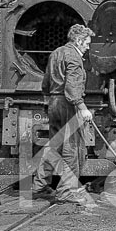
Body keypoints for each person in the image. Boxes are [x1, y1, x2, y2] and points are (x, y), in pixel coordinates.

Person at [32, 24, 96, 206]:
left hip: (53, 102)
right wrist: (82, 107)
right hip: (68, 104)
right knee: (72, 149)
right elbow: (72, 88)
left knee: (54, 147)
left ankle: (39, 186)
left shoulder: (56, 53)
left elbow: (45, 82)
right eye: (87, 43)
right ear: (78, 40)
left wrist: (50, 98)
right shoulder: (74, 58)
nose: (88, 47)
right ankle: (67, 191)